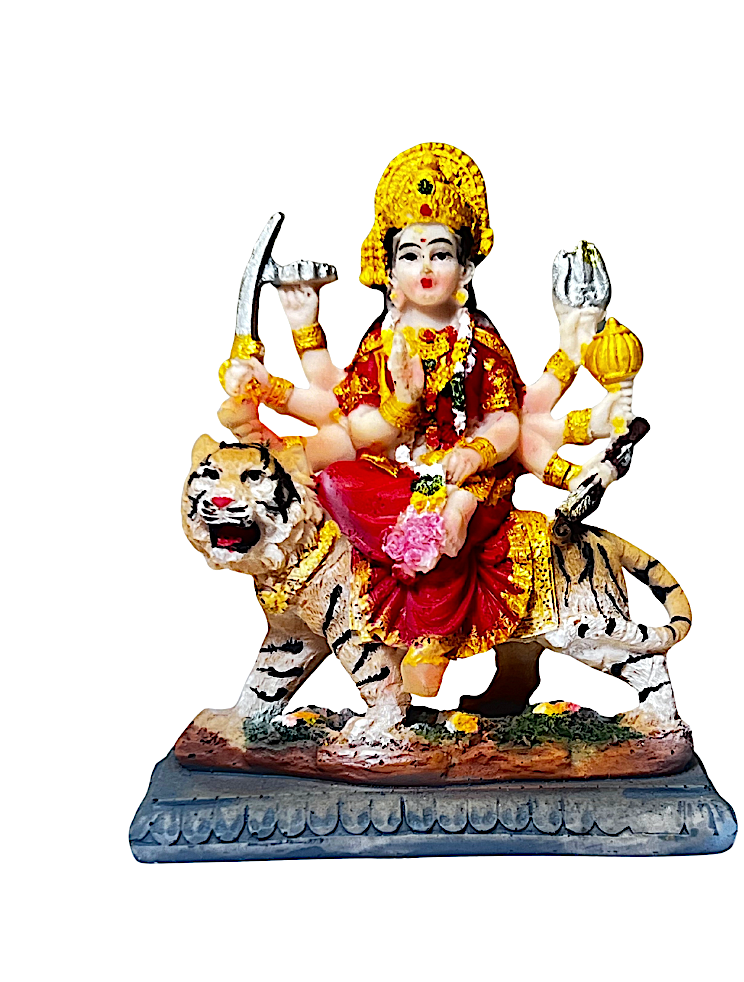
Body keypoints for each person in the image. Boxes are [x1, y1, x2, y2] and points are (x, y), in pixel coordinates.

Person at [223, 143, 533, 698]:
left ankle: (434, 634)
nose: (426, 268)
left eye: (441, 253)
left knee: (445, 523)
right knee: (337, 482)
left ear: (465, 268)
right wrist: (398, 405)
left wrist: (476, 451)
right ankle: (388, 570)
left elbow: (505, 421)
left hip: (469, 478)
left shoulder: (479, 341)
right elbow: (355, 422)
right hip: (403, 473)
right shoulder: (382, 340)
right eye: (410, 255)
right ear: (390, 271)